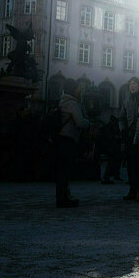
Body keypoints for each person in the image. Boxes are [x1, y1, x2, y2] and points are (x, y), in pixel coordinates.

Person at [55, 78, 90, 208]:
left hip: (61, 138)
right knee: (65, 170)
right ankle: (63, 197)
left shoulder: (63, 101)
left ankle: (63, 195)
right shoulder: (72, 103)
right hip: (68, 138)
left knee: (62, 169)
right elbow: (80, 122)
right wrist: (89, 123)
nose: (79, 90)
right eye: (77, 88)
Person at [119, 77, 139, 200]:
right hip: (129, 135)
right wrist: (123, 129)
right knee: (131, 165)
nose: (132, 86)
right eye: (130, 84)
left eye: (134, 84)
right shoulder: (127, 101)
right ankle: (133, 190)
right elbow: (121, 117)